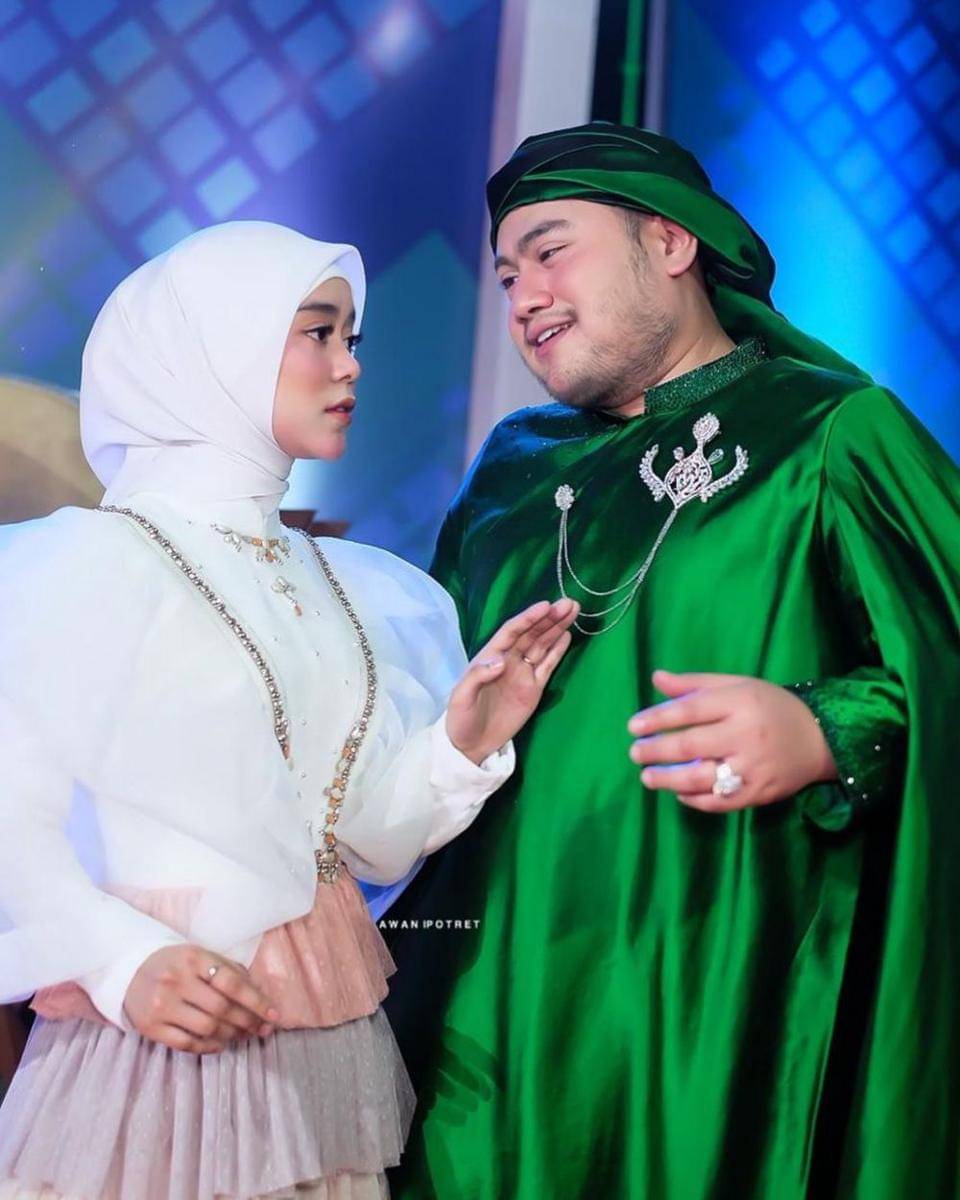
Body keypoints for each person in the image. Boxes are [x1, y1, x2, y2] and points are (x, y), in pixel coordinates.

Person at [384, 123, 960, 1199]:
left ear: (671, 241)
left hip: (717, 986)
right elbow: (414, 717)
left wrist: (829, 729)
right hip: (486, 1004)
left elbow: (945, 651)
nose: (524, 297)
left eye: (552, 251)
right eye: (506, 275)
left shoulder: (828, 431)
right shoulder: (508, 472)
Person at [0, 220, 576, 1200]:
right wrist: (118, 962)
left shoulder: (363, 589)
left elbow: (362, 842)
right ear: (214, 346)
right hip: (156, 1037)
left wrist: (461, 742)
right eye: (316, 332)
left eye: (352, 337)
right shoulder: (87, 565)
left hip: (320, 1038)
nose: (349, 365)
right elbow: (11, 815)